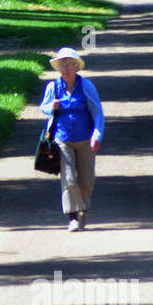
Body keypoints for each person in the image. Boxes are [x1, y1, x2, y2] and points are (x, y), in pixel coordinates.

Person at [38, 47, 104, 231]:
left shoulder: (86, 87)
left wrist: (97, 134)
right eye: (62, 66)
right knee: (68, 179)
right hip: (62, 138)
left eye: (69, 65)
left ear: (76, 67)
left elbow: (98, 112)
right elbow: (43, 107)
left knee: (87, 180)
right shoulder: (53, 87)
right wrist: (51, 106)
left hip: (85, 139)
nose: (65, 69)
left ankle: (84, 209)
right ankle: (73, 217)